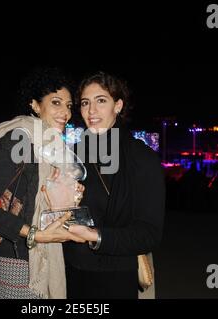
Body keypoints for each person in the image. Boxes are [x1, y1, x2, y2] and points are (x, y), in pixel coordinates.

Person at [0, 67, 85, 299]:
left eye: (69, 105)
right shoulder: (18, 140)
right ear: (35, 105)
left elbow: (37, 204)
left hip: (39, 260)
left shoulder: (51, 149)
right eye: (56, 102)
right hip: (15, 264)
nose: (66, 113)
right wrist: (34, 235)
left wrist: (65, 194)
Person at [63, 71, 165, 299]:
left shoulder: (141, 158)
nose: (91, 111)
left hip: (116, 276)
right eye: (85, 103)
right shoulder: (72, 155)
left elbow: (150, 233)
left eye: (101, 101)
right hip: (70, 271)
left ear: (118, 105)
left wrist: (95, 236)